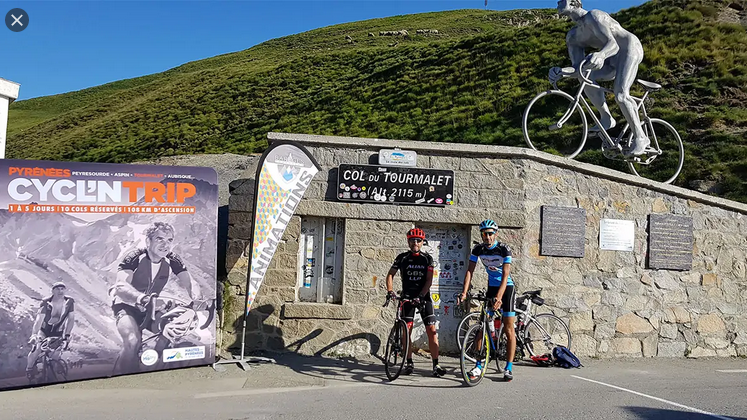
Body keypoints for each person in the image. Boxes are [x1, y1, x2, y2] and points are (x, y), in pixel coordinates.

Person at [549, 0, 649, 156]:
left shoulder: (593, 16)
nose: (558, 2)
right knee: (584, 76)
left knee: (621, 95)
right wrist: (561, 71)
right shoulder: (573, 36)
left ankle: (641, 137)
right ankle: (606, 117)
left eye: (563, 0)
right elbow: (577, 68)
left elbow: (614, 44)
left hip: (628, 49)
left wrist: (601, 54)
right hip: (609, 58)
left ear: (575, 3)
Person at [108, 221, 202, 373]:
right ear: (148, 241)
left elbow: (190, 282)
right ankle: (122, 375)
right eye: (160, 239)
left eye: (169, 240)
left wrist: (198, 299)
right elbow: (120, 286)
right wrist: (142, 298)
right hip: (126, 306)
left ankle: (153, 362)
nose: (165, 245)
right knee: (132, 341)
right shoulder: (134, 257)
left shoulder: (172, 259)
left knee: (172, 330)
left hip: (151, 308)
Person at [458, 219, 516, 381]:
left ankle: (509, 367)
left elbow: (505, 275)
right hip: (491, 288)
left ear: (495, 234)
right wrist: (464, 292)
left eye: (490, 233)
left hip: (507, 288)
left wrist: (499, 296)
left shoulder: (504, 249)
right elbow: (470, 271)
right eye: (484, 234)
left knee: (509, 327)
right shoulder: (478, 249)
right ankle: (478, 365)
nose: (487, 237)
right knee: (481, 327)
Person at [385, 228, 447, 377]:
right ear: (408, 241)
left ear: (422, 242)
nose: (415, 243)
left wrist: (421, 295)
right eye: (412, 240)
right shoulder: (402, 258)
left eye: (418, 240)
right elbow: (390, 275)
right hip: (407, 296)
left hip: (423, 297)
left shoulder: (427, 259)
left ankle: (435, 364)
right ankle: (409, 362)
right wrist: (390, 291)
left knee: (431, 330)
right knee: (407, 330)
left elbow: (429, 280)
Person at [26, 281, 75, 379]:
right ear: (52, 291)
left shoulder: (69, 302)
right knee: (37, 349)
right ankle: (29, 368)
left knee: (55, 355)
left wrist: (67, 335)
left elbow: (71, 319)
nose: (60, 291)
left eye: (62, 289)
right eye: (57, 289)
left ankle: (51, 375)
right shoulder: (46, 302)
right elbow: (39, 319)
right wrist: (34, 334)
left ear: (65, 290)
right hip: (44, 330)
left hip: (58, 332)